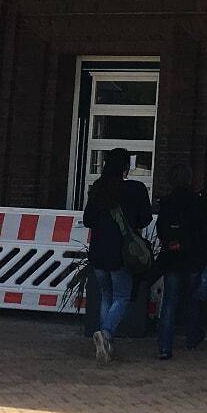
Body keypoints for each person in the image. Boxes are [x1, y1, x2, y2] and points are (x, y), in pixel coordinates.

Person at [82, 146, 151, 364]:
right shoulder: (135, 189)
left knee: (106, 296)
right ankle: (106, 334)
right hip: (122, 254)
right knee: (121, 297)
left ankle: (106, 345)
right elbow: (145, 219)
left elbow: (88, 220)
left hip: (99, 252)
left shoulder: (98, 189)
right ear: (125, 167)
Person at [152, 161, 207, 361]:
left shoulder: (167, 202)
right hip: (193, 259)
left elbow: (161, 230)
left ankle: (164, 347)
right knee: (192, 300)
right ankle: (191, 338)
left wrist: (172, 243)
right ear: (189, 179)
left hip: (172, 259)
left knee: (169, 304)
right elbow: (206, 232)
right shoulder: (198, 201)